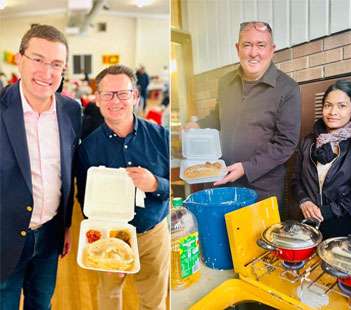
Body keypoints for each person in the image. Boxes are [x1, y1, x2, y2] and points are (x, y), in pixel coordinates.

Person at [0, 24, 81, 310]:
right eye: (38, 59)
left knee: (41, 303)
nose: (47, 73)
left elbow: (67, 171)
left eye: (56, 64)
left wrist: (67, 225)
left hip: (50, 235)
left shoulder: (72, 110)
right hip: (5, 237)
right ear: (19, 58)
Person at [76, 65, 169, 310]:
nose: (115, 101)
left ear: (136, 97)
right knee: (109, 298)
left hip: (153, 235)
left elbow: (176, 187)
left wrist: (155, 184)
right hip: (107, 235)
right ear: (97, 99)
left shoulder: (161, 137)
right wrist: (105, 241)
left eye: (123, 93)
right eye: (107, 94)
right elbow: (84, 198)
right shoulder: (88, 148)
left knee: (153, 302)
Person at [184, 21, 301, 217]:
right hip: (222, 178)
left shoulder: (287, 88)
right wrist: (197, 124)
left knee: (258, 245)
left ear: (272, 50)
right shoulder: (225, 82)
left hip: (263, 188)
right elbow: (218, 117)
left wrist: (246, 168)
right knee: (223, 241)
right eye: (247, 45)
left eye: (261, 45)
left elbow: (286, 143)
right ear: (237, 49)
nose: (253, 52)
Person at [291, 80, 351, 238]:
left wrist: (327, 211)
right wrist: (304, 201)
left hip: (344, 229)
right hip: (309, 225)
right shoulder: (307, 142)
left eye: (342, 106)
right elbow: (295, 179)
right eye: (328, 105)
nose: (333, 112)